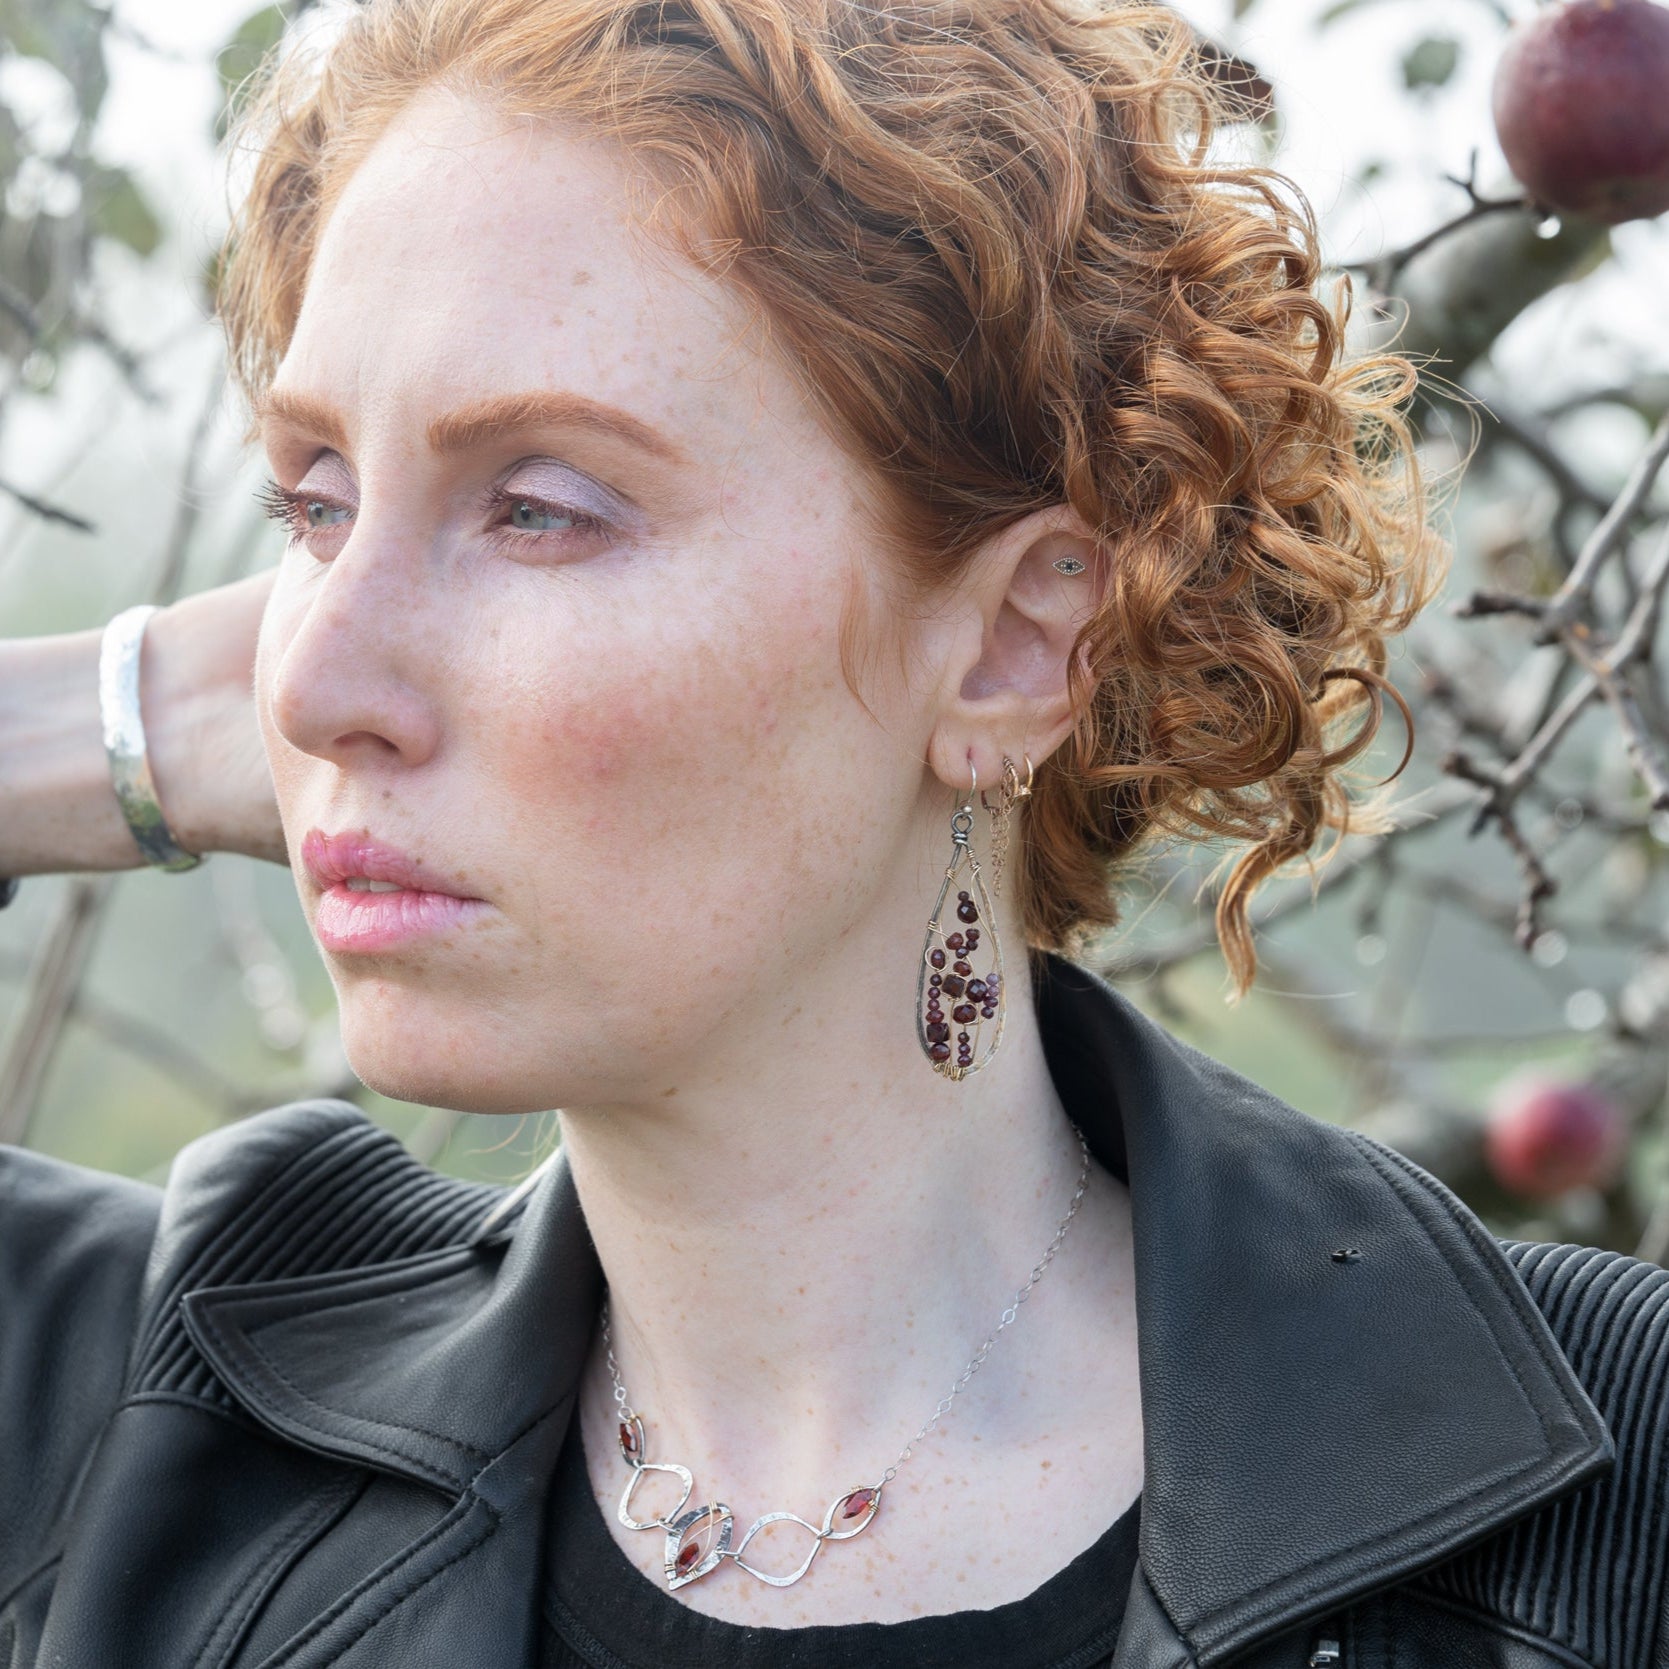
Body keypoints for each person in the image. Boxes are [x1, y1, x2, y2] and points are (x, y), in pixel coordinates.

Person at [2, 0, 1665, 1663]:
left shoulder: (1607, 1485)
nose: (313, 681)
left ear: (1019, 641)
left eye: (537, 507)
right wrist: (140, 725)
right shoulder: (147, 1410)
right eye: (313, 499)